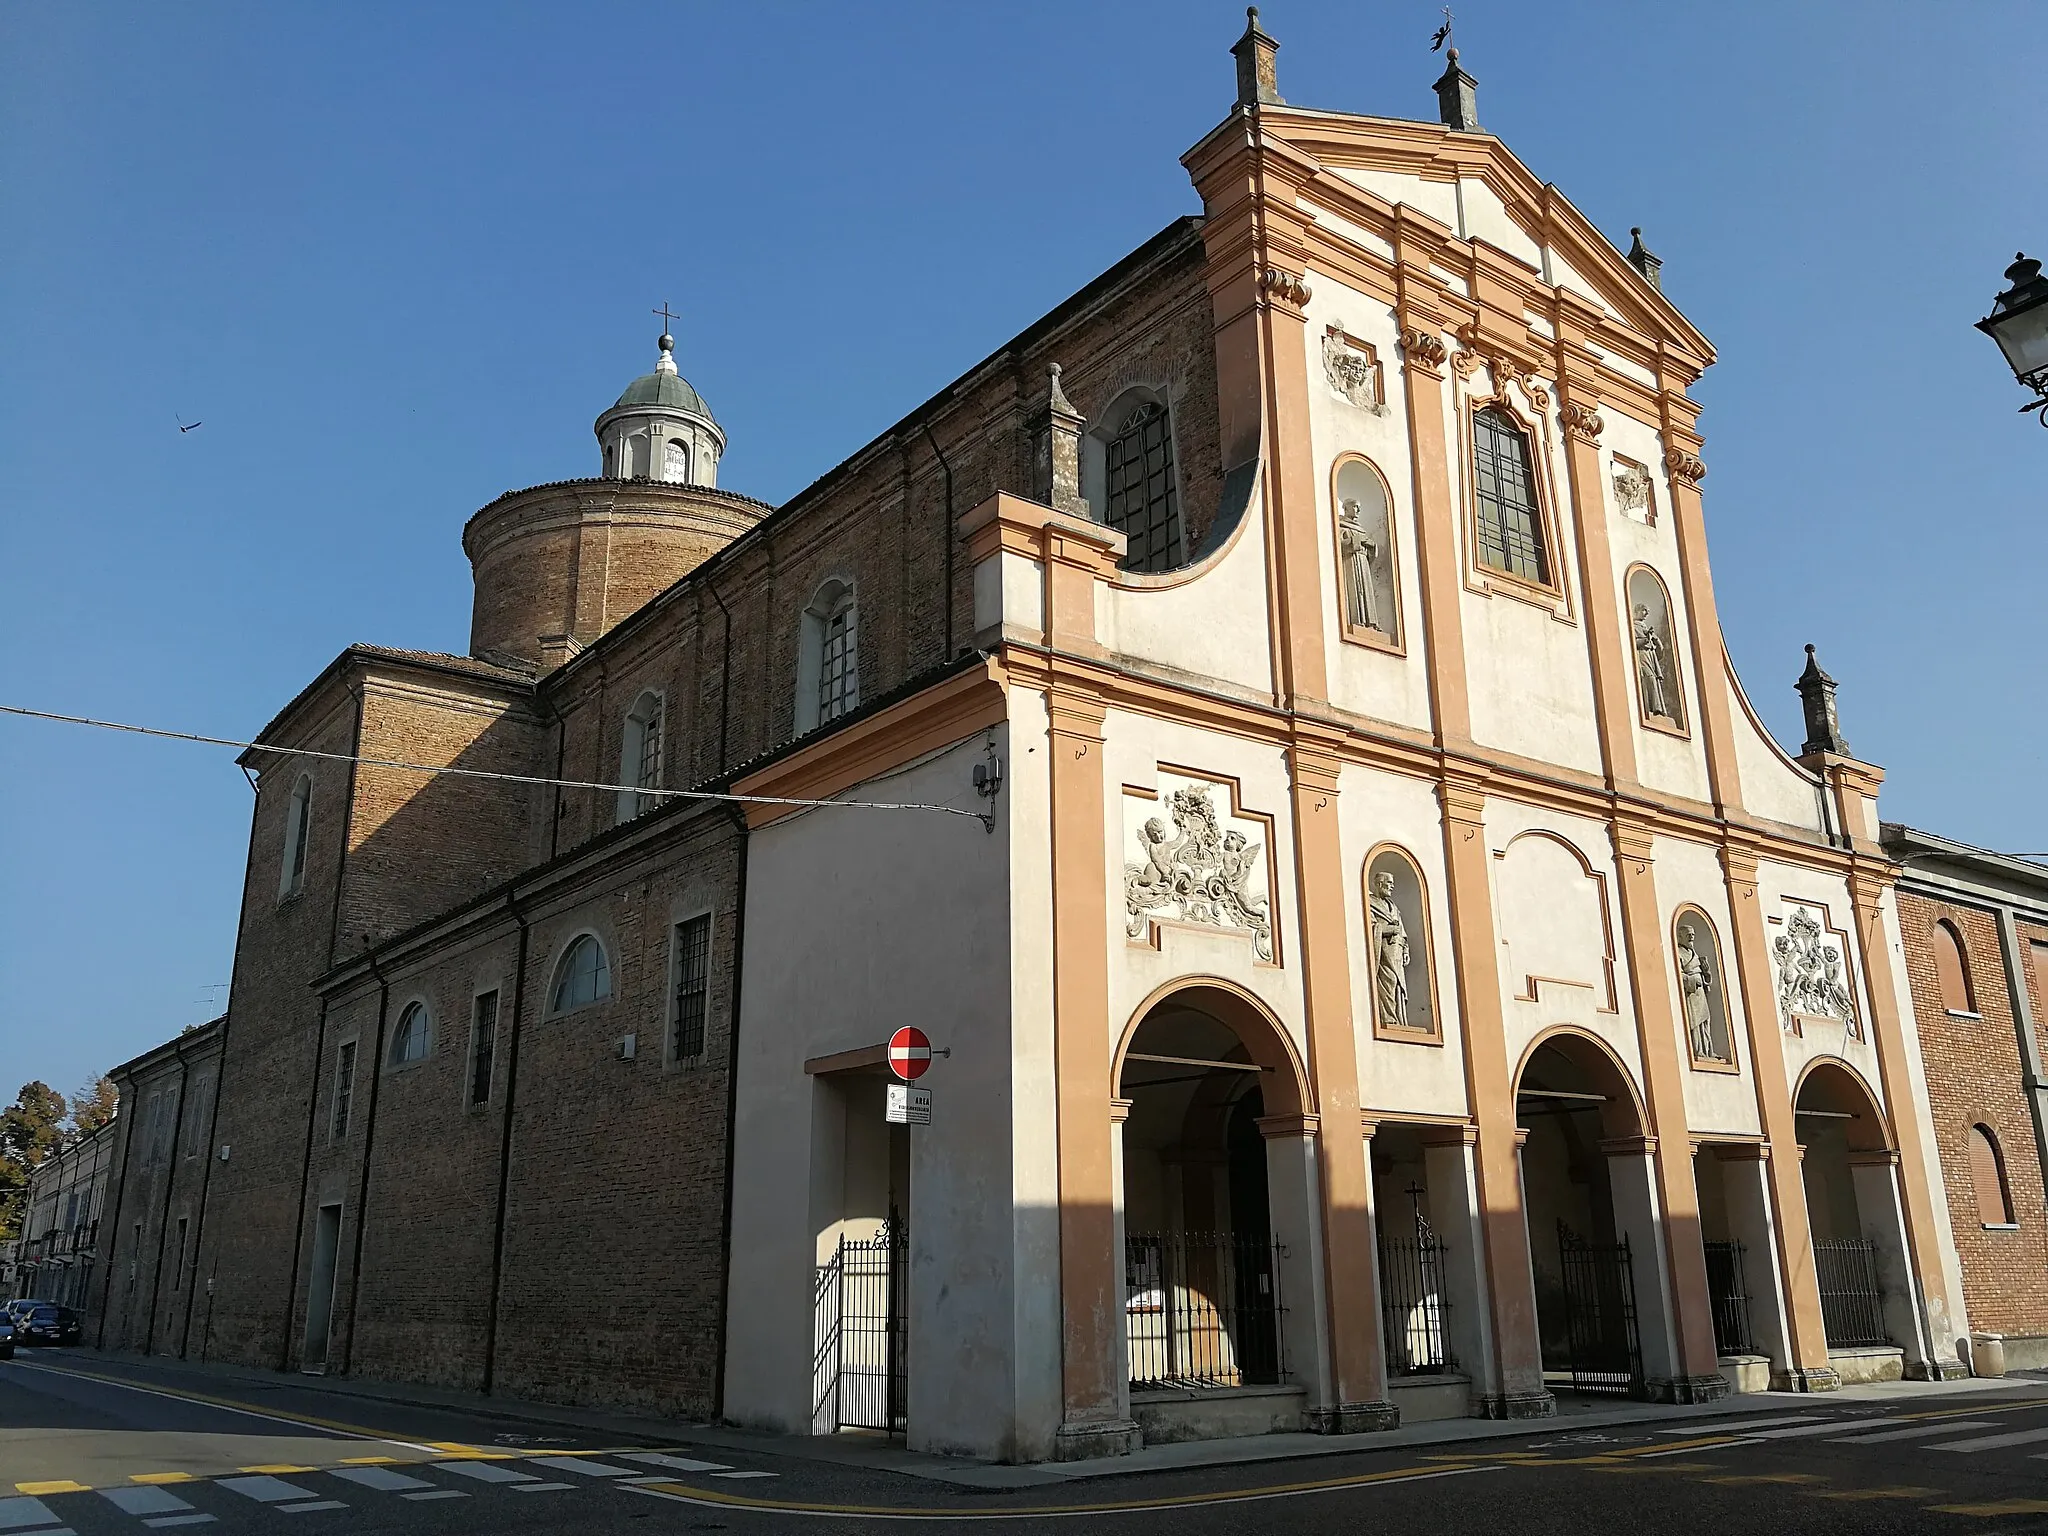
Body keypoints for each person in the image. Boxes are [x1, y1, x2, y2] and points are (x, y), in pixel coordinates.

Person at [1370, 868, 1412, 1028]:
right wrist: (1387, 930)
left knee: (1398, 987)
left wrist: (1406, 949)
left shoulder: (1393, 906)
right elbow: (1371, 925)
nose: (1392, 886)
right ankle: (1388, 1019)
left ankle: (1399, 1021)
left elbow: (1402, 930)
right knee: (1389, 981)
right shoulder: (1370, 903)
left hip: (1397, 952)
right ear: (1379, 884)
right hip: (1383, 952)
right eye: (1389, 883)